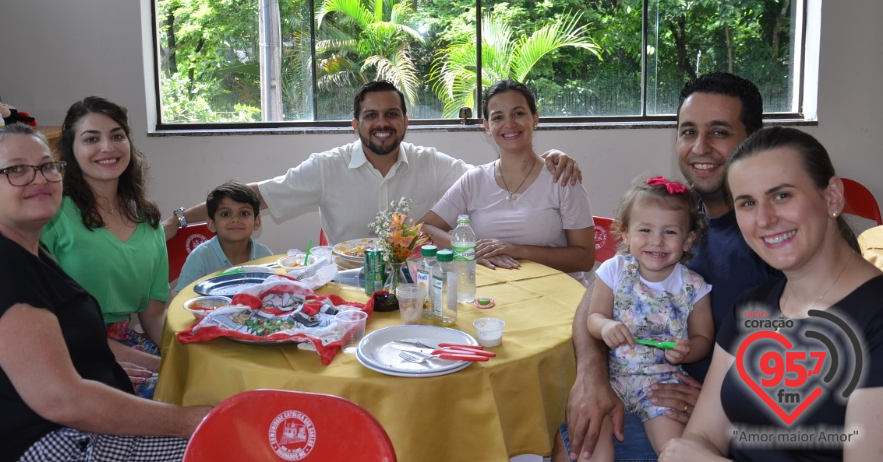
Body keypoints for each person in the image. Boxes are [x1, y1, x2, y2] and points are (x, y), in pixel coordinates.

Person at [0, 123, 210, 462]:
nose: (39, 179)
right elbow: (61, 399)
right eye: (16, 170)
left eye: (47, 166)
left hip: (74, 428)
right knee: (241, 440)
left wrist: (163, 365)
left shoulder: (25, 253)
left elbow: (73, 349)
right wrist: (192, 421)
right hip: (51, 446)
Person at [557, 72, 780, 462]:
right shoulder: (673, 213)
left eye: (720, 132)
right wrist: (591, 377)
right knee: (577, 433)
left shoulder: (772, 238)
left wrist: (721, 403)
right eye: (688, 131)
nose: (700, 147)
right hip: (642, 386)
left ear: (752, 141)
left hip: (730, 423)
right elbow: (595, 300)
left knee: (577, 444)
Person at [661, 127, 883, 461]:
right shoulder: (751, 307)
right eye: (748, 203)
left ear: (832, 197)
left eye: (782, 195)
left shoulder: (875, 316)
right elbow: (704, 433)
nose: (764, 219)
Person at [167, 80, 582, 245]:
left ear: (405, 121)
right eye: (371, 116)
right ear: (355, 124)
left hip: (420, 286)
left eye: (391, 115)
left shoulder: (432, 163)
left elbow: (490, 178)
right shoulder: (326, 167)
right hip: (348, 289)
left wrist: (546, 158)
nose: (382, 124)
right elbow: (253, 195)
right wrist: (179, 220)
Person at [585, 175, 713, 458]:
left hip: (663, 386)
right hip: (612, 382)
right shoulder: (614, 270)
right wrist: (605, 326)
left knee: (674, 450)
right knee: (593, 441)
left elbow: (704, 337)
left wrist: (688, 351)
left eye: (670, 232)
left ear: (689, 240)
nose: (657, 241)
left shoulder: (694, 285)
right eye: (645, 230)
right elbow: (594, 316)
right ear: (626, 233)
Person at [41, 97, 168, 378]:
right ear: (71, 151)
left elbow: (154, 313)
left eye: (117, 136)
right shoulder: (52, 216)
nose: (107, 147)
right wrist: (157, 366)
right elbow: (41, 319)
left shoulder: (148, 221)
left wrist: (181, 354)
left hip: (127, 344)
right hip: (65, 354)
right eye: (91, 139)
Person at [420, 80, 595, 274]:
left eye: (518, 113)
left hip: (557, 295)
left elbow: (585, 258)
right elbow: (425, 229)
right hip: (492, 296)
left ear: (535, 119)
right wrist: (470, 250)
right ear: (487, 126)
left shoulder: (562, 177)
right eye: (498, 117)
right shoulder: (474, 180)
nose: (509, 124)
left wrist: (519, 251)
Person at [175, 180, 273, 291]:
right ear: (212, 224)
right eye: (225, 214)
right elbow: (182, 299)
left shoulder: (265, 256)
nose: (235, 220)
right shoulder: (200, 258)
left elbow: (275, 291)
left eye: (244, 213)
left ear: (257, 222)